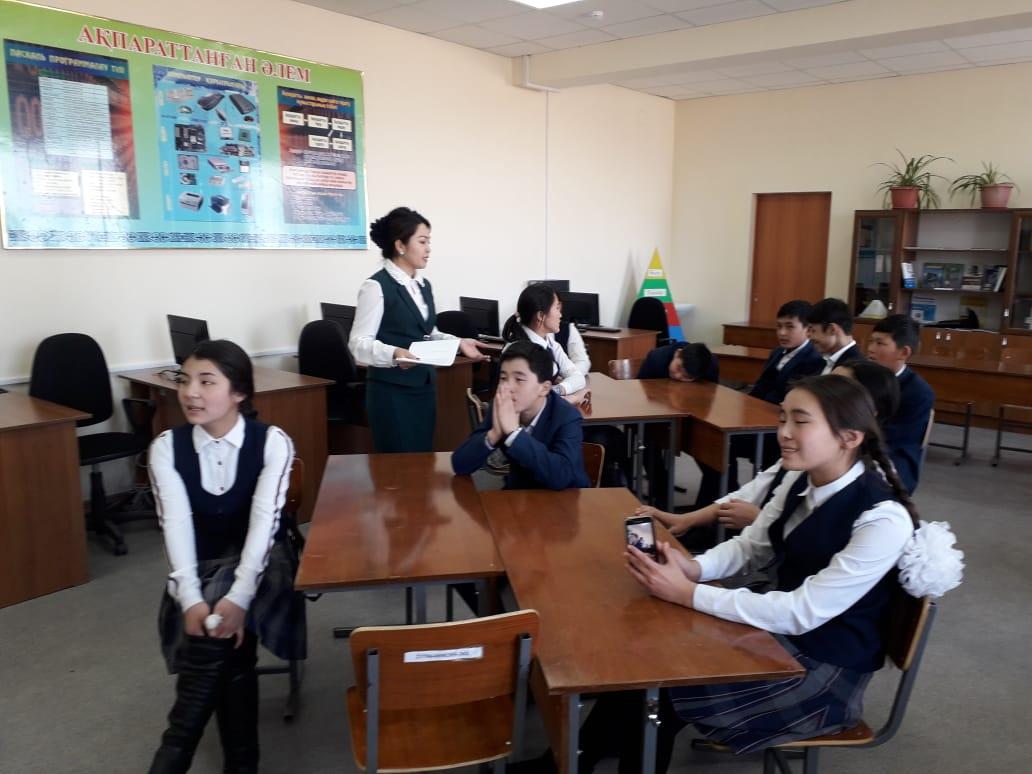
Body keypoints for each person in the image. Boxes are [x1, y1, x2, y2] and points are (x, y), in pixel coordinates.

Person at [578, 375, 920, 772]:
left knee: (665, 686)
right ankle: (585, 752)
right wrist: (694, 567)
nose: (783, 433)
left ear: (850, 437)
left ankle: (599, 748)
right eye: (782, 418)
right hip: (783, 636)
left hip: (822, 671)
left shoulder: (882, 519)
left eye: (800, 421)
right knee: (649, 656)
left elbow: (801, 612)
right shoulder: (800, 477)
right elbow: (751, 546)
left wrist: (687, 592)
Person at [147, 340, 301, 774]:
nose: (190, 392)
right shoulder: (166, 446)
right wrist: (190, 599)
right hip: (201, 564)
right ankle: (241, 763)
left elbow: (264, 526)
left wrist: (239, 597)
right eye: (184, 381)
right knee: (224, 640)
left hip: (266, 561)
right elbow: (176, 526)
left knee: (218, 622)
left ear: (239, 393)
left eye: (206, 382)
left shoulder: (272, 442)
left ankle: (173, 755)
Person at [641, 360, 901, 542]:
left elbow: (812, 570)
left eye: (839, 388)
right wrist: (686, 520)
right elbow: (752, 493)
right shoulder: (806, 463)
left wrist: (759, 519)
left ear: (865, 411)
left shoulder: (876, 504)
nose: (784, 433)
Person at [349, 206, 486, 452]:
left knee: (421, 461)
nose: (428, 249)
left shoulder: (423, 285)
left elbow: (428, 333)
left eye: (428, 242)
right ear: (400, 245)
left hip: (424, 388)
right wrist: (394, 353)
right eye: (422, 241)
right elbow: (358, 344)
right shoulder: (376, 287)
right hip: (391, 393)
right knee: (397, 466)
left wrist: (458, 342)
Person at [452, 341, 590, 490]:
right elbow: (460, 464)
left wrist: (514, 434)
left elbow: (562, 476)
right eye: (503, 378)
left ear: (544, 388)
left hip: (565, 497)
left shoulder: (566, 416)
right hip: (518, 496)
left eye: (519, 380)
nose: (507, 387)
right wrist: (494, 434)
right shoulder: (502, 406)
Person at [726, 300, 826, 489]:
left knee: (725, 442)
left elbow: (787, 396)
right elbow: (760, 387)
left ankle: (731, 492)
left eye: (789, 327)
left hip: (779, 428)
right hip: (759, 419)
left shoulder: (814, 360)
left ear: (808, 330)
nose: (782, 333)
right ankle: (727, 490)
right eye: (779, 327)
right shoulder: (777, 353)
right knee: (718, 441)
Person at [866, 314, 935, 493]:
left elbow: (895, 438)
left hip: (893, 458)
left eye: (880, 343)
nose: (870, 349)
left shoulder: (919, 392)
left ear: (904, 352)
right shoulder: (863, 377)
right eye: (871, 341)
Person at [501, 283, 586, 400]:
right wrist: (567, 398)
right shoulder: (517, 350)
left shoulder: (550, 344)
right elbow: (527, 397)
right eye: (557, 308)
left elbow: (578, 377)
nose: (560, 315)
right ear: (541, 316)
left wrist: (558, 389)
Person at [807, 297, 864, 374]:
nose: (809, 335)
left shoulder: (855, 368)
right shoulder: (823, 359)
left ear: (832, 329)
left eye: (813, 330)